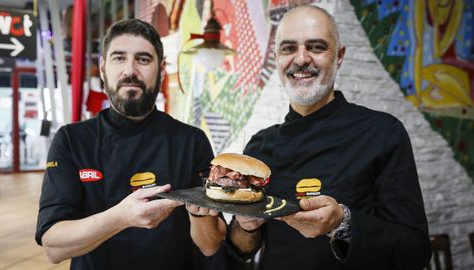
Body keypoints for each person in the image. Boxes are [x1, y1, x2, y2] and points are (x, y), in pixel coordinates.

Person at [226, 5, 431, 270]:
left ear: (340, 56)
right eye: (288, 48)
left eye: (316, 47)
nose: (301, 59)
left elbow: (415, 251)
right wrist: (246, 226)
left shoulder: (383, 133)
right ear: (277, 58)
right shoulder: (260, 144)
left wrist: (342, 223)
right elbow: (242, 249)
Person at [35, 19, 226, 270]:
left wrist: (199, 214)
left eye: (143, 59)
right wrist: (121, 217)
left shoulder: (191, 141)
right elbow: (54, 247)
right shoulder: (72, 140)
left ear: (162, 69)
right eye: (118, 58)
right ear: (103, 68)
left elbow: (211, 245)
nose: (130, 70)